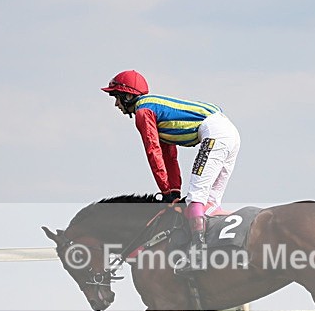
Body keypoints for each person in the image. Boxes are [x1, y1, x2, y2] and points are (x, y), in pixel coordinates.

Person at [101, 70, 241, 272]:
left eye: (116, 97)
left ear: (128, 96)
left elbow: (153, 151)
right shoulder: (155, 108)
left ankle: (198, 256)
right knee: (210, 203)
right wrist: (172, 190)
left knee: (195, 200)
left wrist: (167, 191)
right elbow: (169, 154)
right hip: (230, 132)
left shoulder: (143, 112)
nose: (116, 104)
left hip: (215, 134)